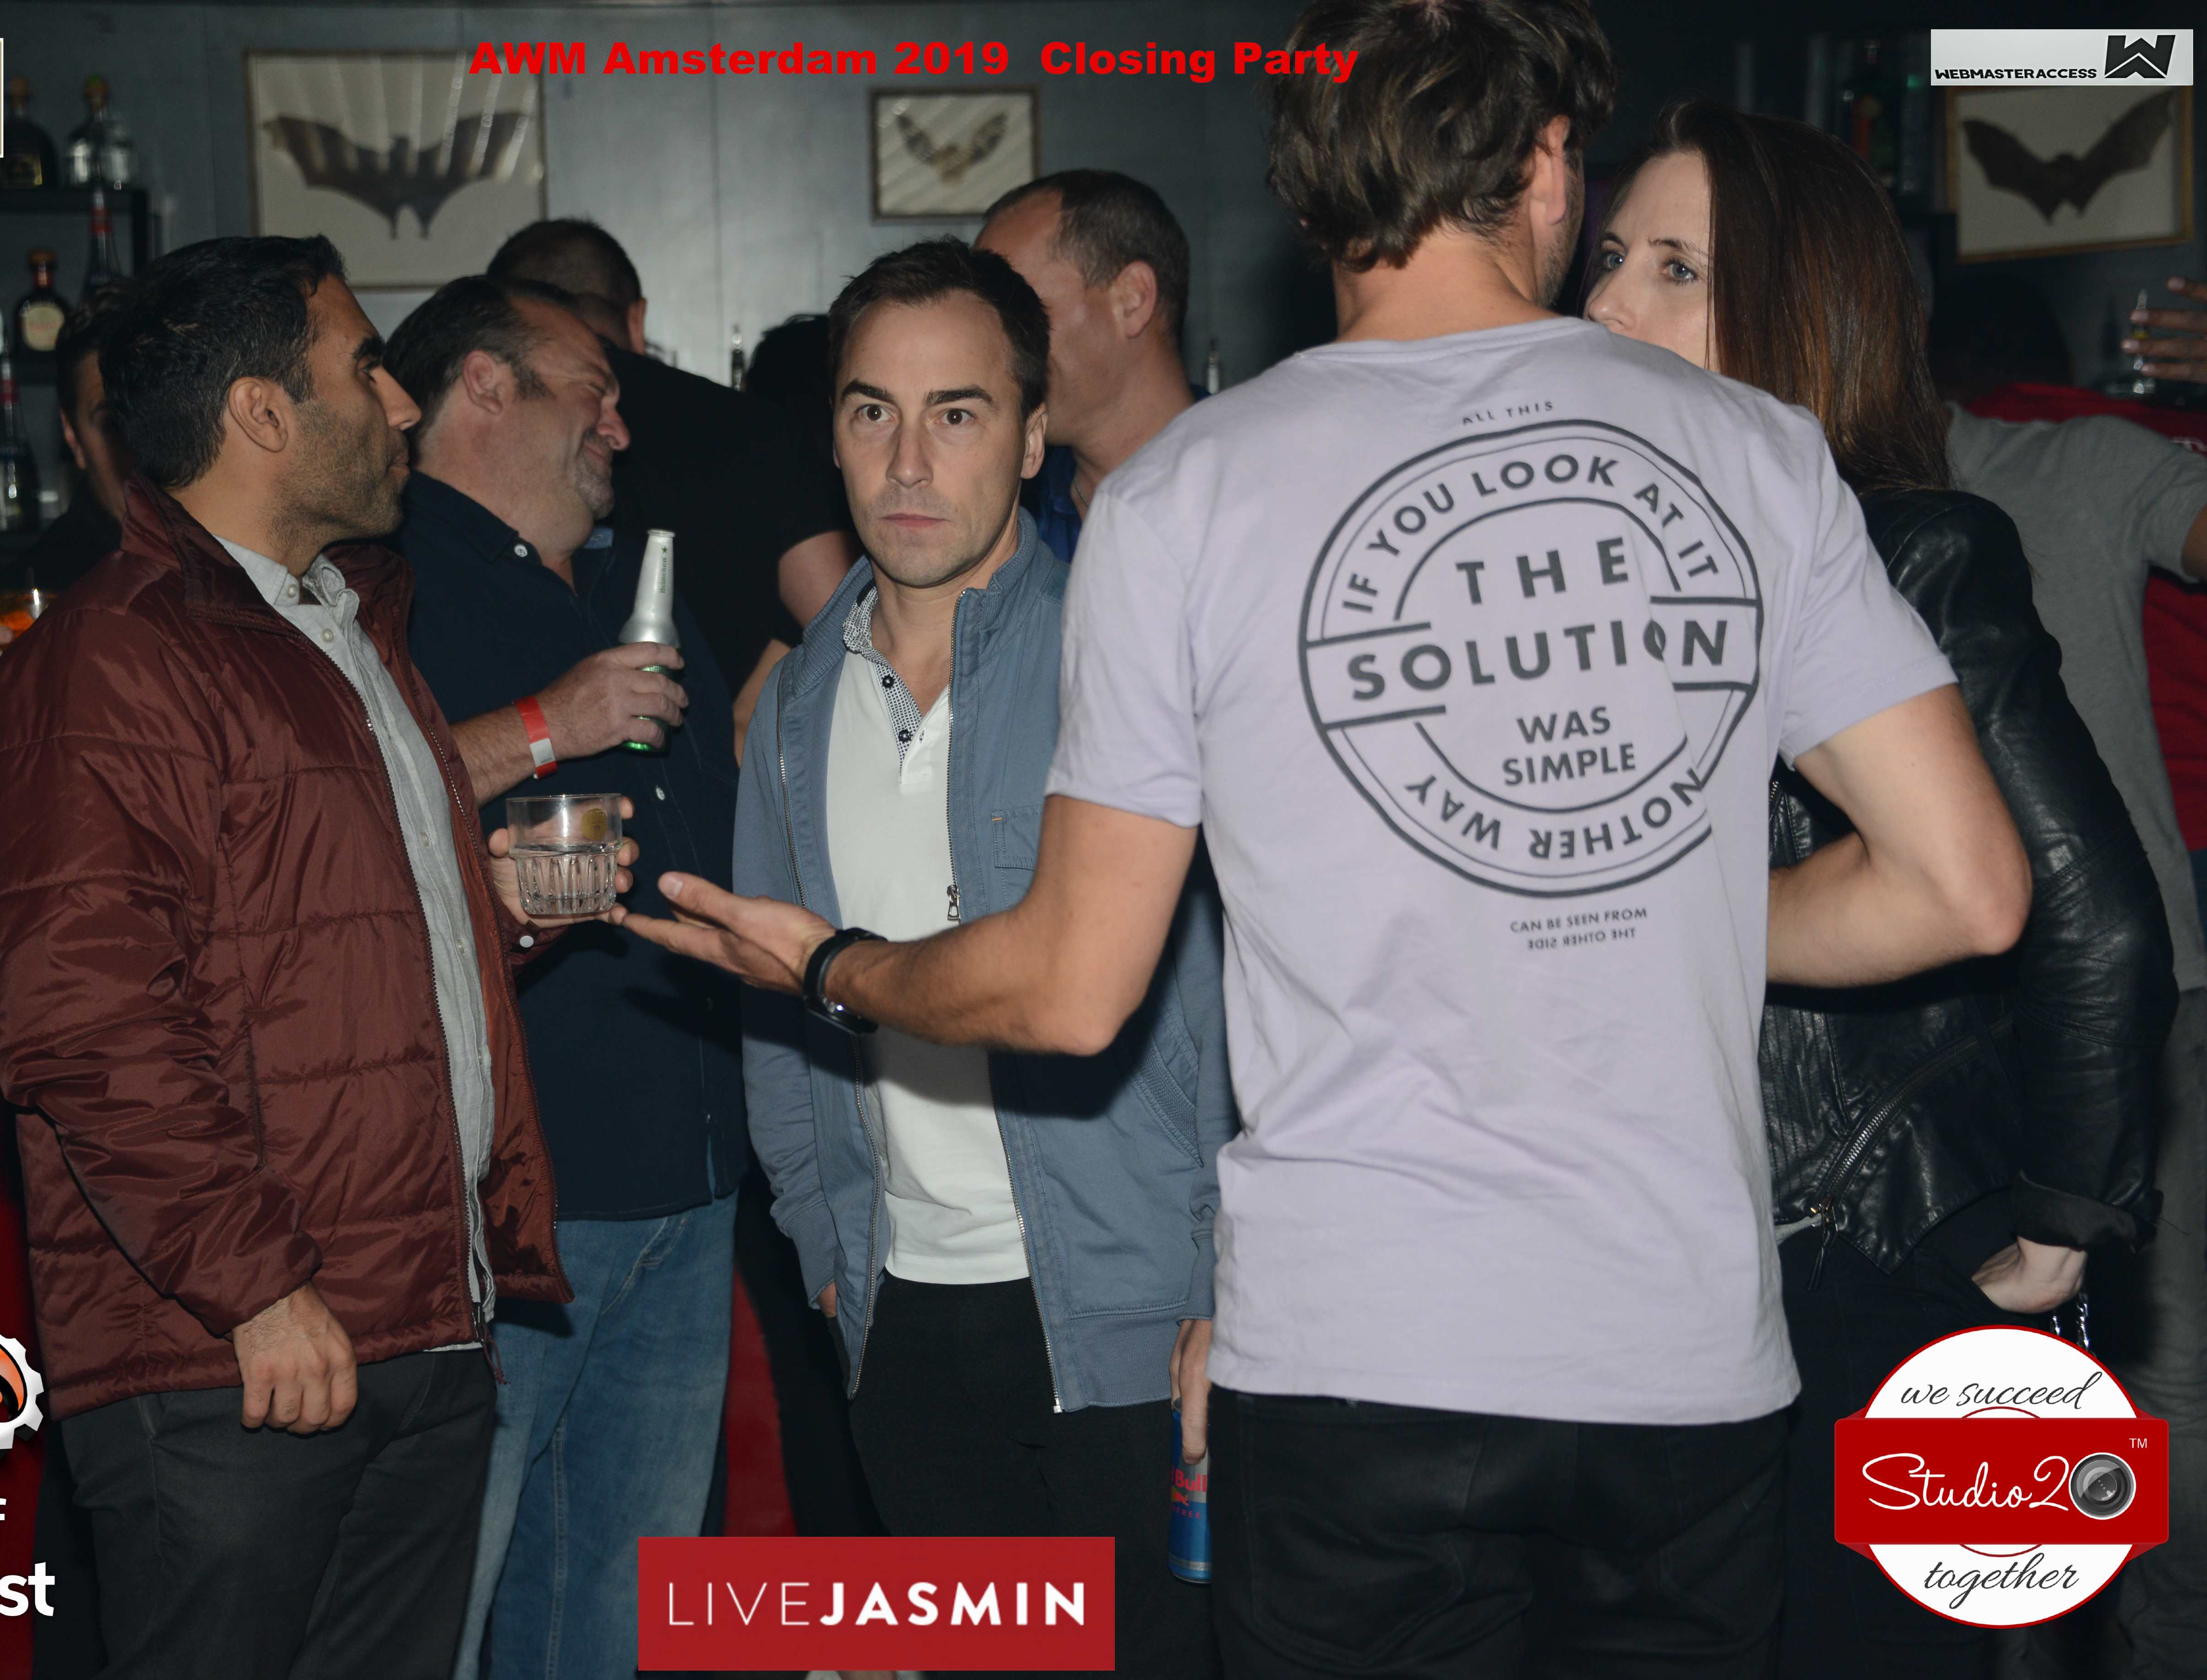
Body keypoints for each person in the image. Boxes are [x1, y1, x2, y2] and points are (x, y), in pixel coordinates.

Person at [622, 0, 2042, 1671]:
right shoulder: (1750, 448)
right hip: (1676, 1357)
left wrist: (839, 967)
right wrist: (1657, 893)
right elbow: (1965, 887)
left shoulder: (1187, 494)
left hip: (1354, 1355)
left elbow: (1072, 986)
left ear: (1300, 203)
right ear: (1549, 171)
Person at [0, 236, 624, 1680]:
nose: (399, 404)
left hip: (416, 1314)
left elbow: (311, 949)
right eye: (364, 367)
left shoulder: (346, 624)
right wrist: (256, 1286)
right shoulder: (112, 658)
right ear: (262, 413)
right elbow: (88, 1023)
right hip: (236, 1354)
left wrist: (495, 912)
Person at [1585, 100, 2176, 1680]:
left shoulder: (1909, 547)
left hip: (1867, 1245)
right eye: (1609, 256)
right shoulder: (1605, 560)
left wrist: (2062, 1225)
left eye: (1675, 268)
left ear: (1796, 308)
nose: (1608, 302)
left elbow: (2093, 913)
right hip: (1666, 1259)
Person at [734, 237, 1229, 1679]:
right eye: (871, 412)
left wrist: (1232, 1279)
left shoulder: (1124, 657)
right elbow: (773, 992)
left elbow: (1247, 992)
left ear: (1028, 435)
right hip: (903, 1315)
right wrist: (825, 1247)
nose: (908, 460)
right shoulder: (793, 702)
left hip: (1130, 1307)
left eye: (956, 413)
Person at [377, 273, 746, 1680]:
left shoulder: (629, 582)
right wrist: (550, 722)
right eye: (593, 389)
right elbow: (337, 811)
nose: (621, 425)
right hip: (513, 1201)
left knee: (623, 1601)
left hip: (689, 1179)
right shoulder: (382, 580)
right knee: (448, 1598)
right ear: (485, 384)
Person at [1924, 270, 2207, 1677]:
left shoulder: (2080, 464)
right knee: (1994, 1395)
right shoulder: (1760, 494)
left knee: (2140, 1383)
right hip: (1911, 1025)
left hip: (2121, 997)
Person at [487, 219, 853, 737]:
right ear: (636, 317)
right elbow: (845, 627)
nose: (612, 433)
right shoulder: (757, 430)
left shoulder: (492, 440)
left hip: (533, 758)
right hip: (715, 766)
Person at [975, 170, 1197, 561]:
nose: (987, 347)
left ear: (1132, 299)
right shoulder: (1004, 509)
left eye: (1020, 309)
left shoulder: (1255, 488)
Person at [0, 285, 136, 682]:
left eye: (151, 414)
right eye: (114, 422)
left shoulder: (243, 554)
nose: (139, 442)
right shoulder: (36, 593)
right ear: (73, 437)